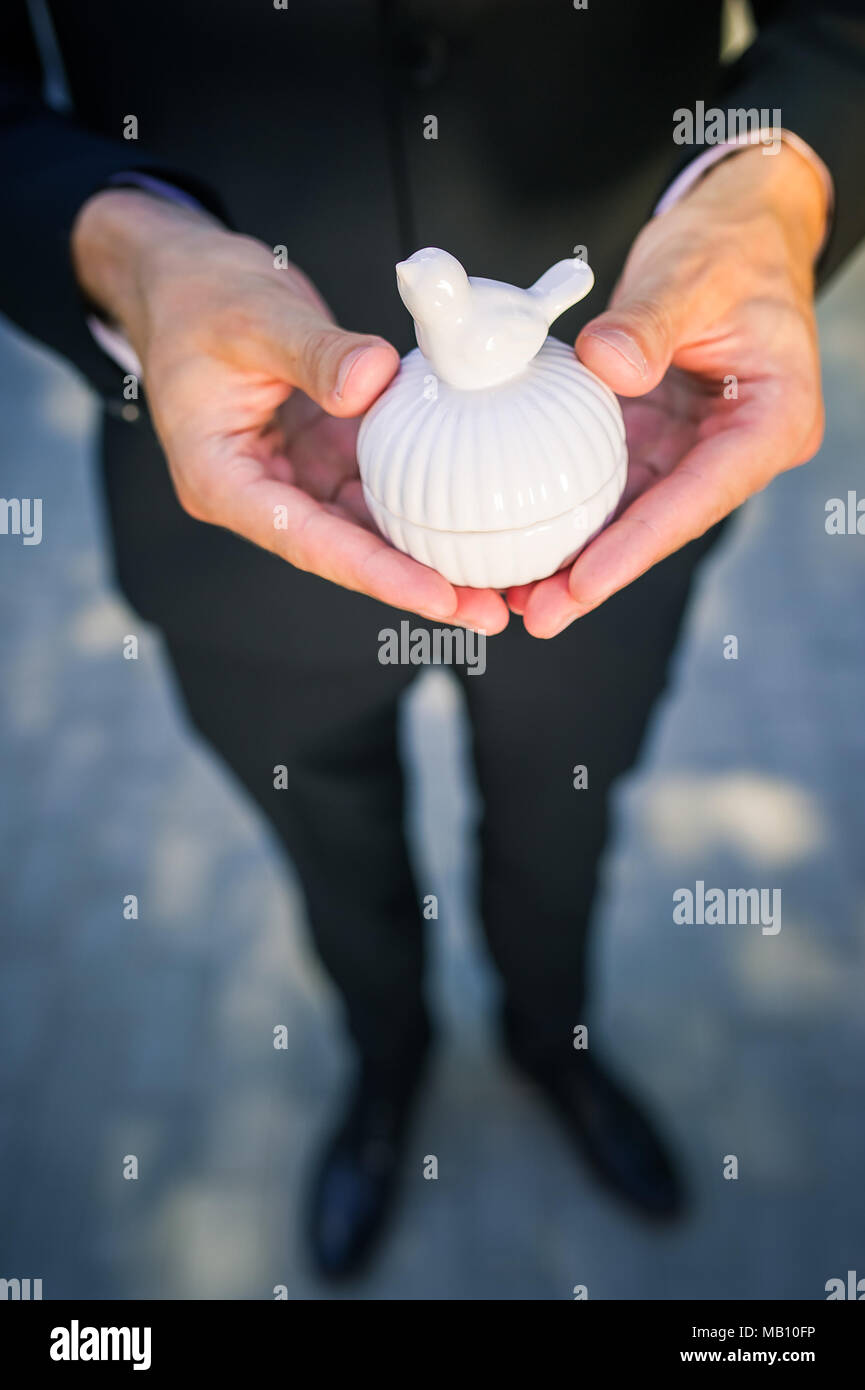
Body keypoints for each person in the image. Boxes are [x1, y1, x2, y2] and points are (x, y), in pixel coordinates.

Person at [1, 1, 861, 1281]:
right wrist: (120, 246)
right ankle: (385, 1066)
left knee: (562, 830)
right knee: (331, 850)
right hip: (244, 484)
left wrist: (778, 180)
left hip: (624, 459)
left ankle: (549, 1043)